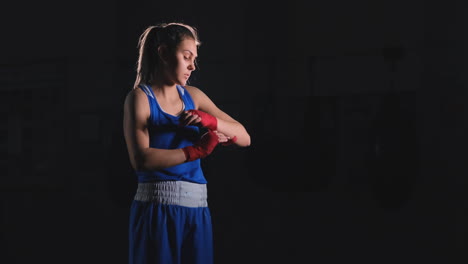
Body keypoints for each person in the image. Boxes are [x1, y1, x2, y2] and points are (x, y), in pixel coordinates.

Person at [122, 22, 251, 264]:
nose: (193, 65)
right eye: (186, 56)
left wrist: (212, 122)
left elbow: (244, 137)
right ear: (163, 53)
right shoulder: (139, 98)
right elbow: (141, 160)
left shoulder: (194, 96)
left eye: (194, 58)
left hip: (197, 211)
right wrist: (196, 151)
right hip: (156, 210)